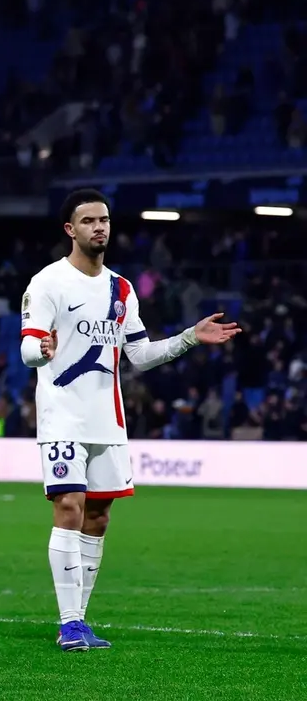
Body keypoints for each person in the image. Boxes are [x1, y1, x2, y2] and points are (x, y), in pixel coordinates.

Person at [20, 189, 241, 651]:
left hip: (108, 421)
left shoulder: (121, 288)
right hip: (63, 417)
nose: (99, 227)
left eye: (104, 220)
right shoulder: (47, 283)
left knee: (98, 517)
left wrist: (188, 338)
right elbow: (28, 345)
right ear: (70, 229)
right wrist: (37, 352)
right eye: (88, 221)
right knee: (69, 509)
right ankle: (68, 624)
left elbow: (139, 355)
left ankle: (80, 619)